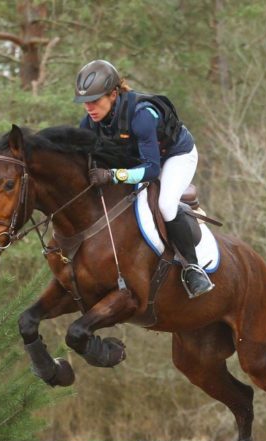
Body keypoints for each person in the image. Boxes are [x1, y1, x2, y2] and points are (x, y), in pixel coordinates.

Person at [74, 59, 214, 298]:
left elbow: (150, 170)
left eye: (95, 101)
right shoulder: (90, 123)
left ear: (114, 94)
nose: (89, 108)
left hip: (175, 156)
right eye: (85, 102)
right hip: (141, 159)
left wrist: (112, 175)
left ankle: (193, 269)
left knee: (166, 205)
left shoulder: (142, 115)